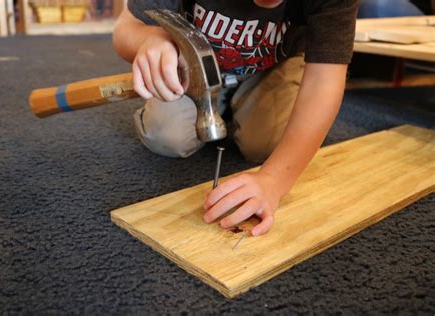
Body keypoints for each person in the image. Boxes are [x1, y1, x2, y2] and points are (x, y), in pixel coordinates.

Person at [113, 0, 359, 236]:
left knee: (268, 145)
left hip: (275, 65)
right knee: (166, 136)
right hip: (190, 67)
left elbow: (324, 83)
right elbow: (125, 29)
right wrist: (150, 40)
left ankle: (241, 99)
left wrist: (273, 180)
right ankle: (225, 101)